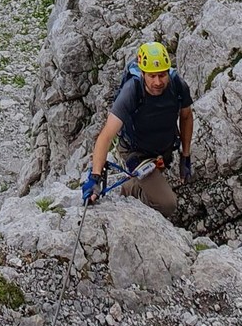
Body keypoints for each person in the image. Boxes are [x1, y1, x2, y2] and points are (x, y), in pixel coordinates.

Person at [81, 41, 194, 220]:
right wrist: (95, 177)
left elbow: (186, 116)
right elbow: (106, 135)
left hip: (163, 150)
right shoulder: (132, 91)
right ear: (143, 73)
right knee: (167, 204)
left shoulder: (178, 85)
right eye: (152, 76)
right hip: (137, 153)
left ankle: (138, 184)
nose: (158, 82)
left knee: (156, 190)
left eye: (162, 75)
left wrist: (185, 157)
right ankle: (131, 191)